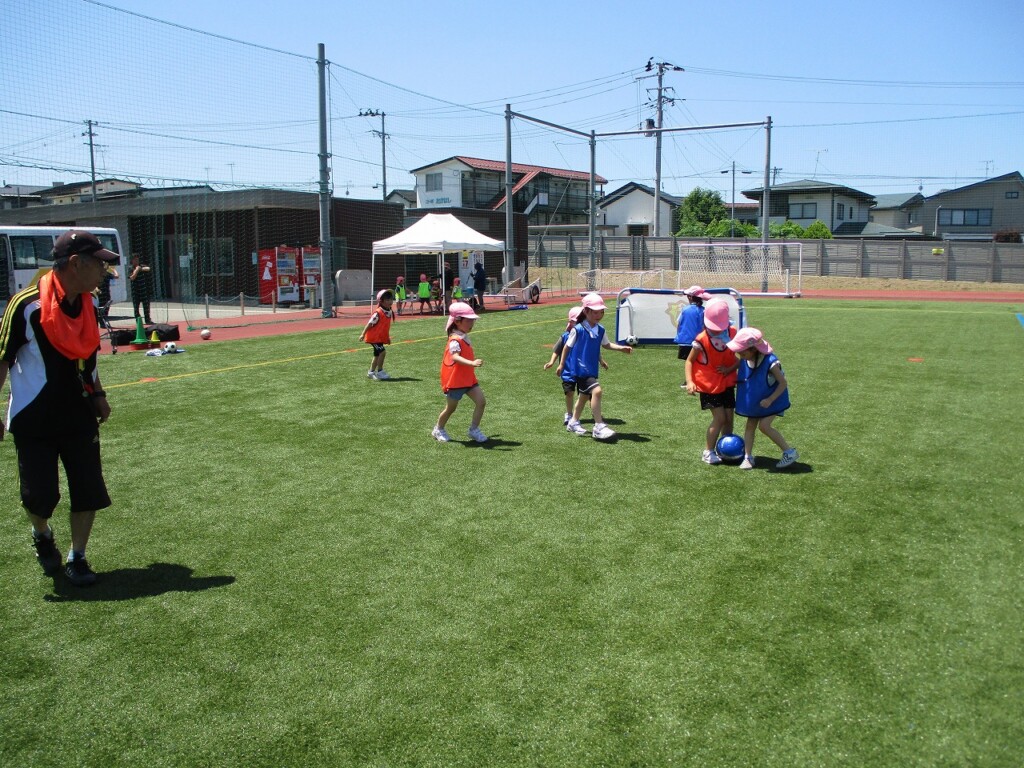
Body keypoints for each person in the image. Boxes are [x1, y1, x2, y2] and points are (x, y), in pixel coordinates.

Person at [0, 230, 118, 587]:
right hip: (34, 417)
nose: (104, 270)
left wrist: (97, 394)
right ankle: (41, 534)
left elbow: (89, 355)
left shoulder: (88, 304)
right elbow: (2, 358)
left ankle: (77, 556)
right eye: (98, 262)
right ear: (75, 263)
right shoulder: (26, 305)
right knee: (40, 496)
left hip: (78, 414)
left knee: (88, 488)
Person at [557, 292, 632, 440]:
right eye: (595, 312)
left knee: (584, 396)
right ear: (586, 311)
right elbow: (566, 347)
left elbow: (606, 345)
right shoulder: (577, 330)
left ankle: (573, 422)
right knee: (596, 391)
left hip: (591, 368)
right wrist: (561, 365)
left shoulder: (600, 329)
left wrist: (621, 348)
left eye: (601, 312)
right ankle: (598, 426)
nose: (599, 315)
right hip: (580, 369)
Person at [727, 327, 798, 469]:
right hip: (757, 400)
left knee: (764, 426)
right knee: (750, 425)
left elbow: (783, 383)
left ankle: (789, 452)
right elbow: (741, 367)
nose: (739, 354)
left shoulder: (770, 362)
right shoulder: (746, 359)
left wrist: (770, 400)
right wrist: (728, 370)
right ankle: (748, 457)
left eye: (742, 351)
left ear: (753, 349)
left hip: (773, 400)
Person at [684, 298, 738, 464]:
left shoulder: (733, 333)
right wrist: (690, 381)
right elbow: (689, 361)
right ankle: (708, 451)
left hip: (727, 383)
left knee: (729, 418)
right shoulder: (701, 339)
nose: (715, 330)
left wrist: (729, 370)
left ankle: (726, 448)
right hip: (709, 386)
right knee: (720, 418)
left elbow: (742, 357)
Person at [432, 302, 487, 443]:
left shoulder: (462, 335)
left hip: (468, 379)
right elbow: (455, 357)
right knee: (451, 408)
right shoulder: (454, 340)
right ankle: (438, 429)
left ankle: (474, 430)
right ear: (457, 321)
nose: (472, 323)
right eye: (468, 320)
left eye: (472, 320)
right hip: (456, 381)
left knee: (481, 402)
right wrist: (472, 363)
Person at [544, 305, 606, 425]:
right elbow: (557, 350)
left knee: (587, 393)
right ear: (570, 322)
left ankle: (595, 413)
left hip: (582, 370)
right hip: (568, 371)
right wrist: (552, 362)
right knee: (570, 393)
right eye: (575, 321)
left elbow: (593, 350)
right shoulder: (566, 336)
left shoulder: (587, 333)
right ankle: (569, 414)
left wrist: (601, 361)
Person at [675, 285, 711, 387]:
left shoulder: (685, 310)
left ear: (690, 297)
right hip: (700, 341)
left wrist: (679, 335)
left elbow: (679, 324)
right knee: (698, 360)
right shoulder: (704, 310)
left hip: (686, 340)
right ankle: (698, 379)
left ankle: (690, 381)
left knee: (689, 361)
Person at [358, 289, 396, 380]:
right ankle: (380, 371)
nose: (390, 302)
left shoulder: (389, 311)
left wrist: (387, 338)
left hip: (379, 338)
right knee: (382, 352)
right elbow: (369, 324)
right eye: (387, 300)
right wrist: (363, 334)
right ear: (381, 301)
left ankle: (371, 372)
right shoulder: (378, 313)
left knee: (377, 355)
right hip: (374, 338)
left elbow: (385, 327)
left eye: (391, 299)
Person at [129, 254, 153, 325]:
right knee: (136, 307)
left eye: (137, 259)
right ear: (132, 260)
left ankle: (147, 320)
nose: (136, 261)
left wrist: (140, 268)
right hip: (135, 291)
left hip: (144, 291)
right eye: (135, 259)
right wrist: (136, 270)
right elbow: (132, 277)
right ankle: (138, 322)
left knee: (146, 306)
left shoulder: (141, 266)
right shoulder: (130, 268)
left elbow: (148, 268)